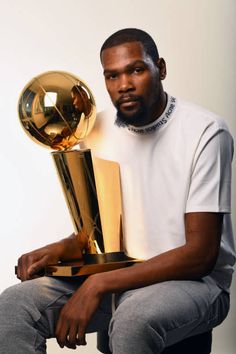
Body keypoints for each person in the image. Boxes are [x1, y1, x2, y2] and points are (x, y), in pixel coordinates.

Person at [0, 28, 235, 354]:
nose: (123, 84)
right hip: (118, 271)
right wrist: (58, 249)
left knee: (133, 319)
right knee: (12, 308)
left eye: (135, 70)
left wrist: (100, 284)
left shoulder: (206, 131)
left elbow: (200, 255)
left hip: (192, 282)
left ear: (161, 69)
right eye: (112, 75)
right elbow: (106, 233)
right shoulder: (95, 128)